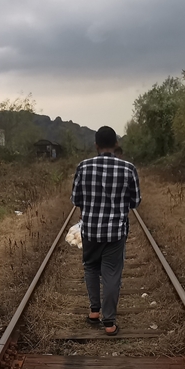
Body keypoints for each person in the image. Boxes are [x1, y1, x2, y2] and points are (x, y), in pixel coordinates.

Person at [70, 125, 141, 335]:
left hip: (90, 230)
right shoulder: (128, 169)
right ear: (116, 144)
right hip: (116, 232)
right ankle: (109, 323)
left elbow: (76, 199)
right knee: (111, 273)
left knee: (91, 267)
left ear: (96, 145)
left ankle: (94, 311)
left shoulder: (83, 167)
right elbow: (135, 202)